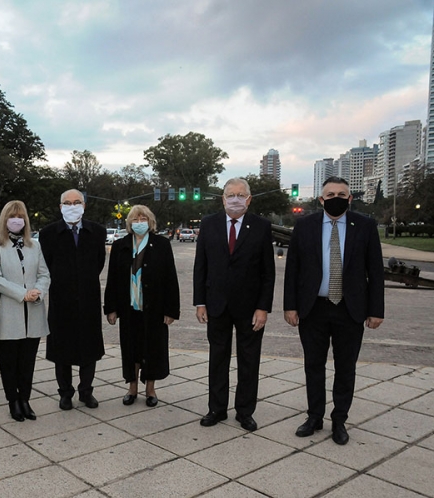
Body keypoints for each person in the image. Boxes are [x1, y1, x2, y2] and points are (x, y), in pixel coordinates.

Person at [284, 176, 384, 445]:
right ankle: (314, 417)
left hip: (350, 310)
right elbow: (292, 268)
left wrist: (376, 310)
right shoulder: (304, 226)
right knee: (313, 366)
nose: (336, 198)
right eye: (330, 194)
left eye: (342, 193)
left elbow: (375, 271)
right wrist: (290, 306)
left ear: (350, 198)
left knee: (345, 368)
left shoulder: (365, 225)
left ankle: (339, 420)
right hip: (313, 308)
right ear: (321, 199)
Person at [193, 177, 275, 431]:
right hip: (216, 305)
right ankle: (216, 408)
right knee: (218, 358)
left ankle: (245, 411)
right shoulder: (209, 224)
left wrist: (263, 307)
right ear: (223, 199)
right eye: (231, 195)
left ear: (249, 199)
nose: (236, 199)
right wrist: (200, 302)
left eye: (241, 195)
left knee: (249, 360)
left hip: (250, 308)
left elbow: (267, 272)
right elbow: (201, 266)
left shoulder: (261, 226)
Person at [104, 205, 180, 407]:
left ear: (150, 222)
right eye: (135, 219)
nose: (139, 222)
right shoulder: (121, 246)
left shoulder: (162, 244)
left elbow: (170, 278)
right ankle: (132, 387)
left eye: (143, 218)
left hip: (154, 308)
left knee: (152, 348)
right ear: (129, 223)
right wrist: (110, 308)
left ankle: (150, 389)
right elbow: (112, 279)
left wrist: (171, 310)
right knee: (131, 348)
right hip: (128, 308)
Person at [39, 189, 106, 410]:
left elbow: (98, 263)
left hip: (88, 298)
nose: (72, 206)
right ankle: (65, 392)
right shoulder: (48, 233)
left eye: (77, 202)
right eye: (67, 203)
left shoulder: (97, 231)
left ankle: (86, 391)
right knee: (62, 349)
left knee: (89, 348)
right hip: (61, 299)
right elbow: (46, 265)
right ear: (60, 207)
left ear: (84, 205)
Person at [0, 200, 50, 422]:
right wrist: (22, 293)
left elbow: (44, 274)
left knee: (27, 361)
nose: (17, 220)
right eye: (12, 216)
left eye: (20, 216)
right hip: (7, 313)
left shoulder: (35, 245)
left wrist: (37, 291)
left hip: (32, 313)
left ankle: (25, 399)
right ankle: (12, 400)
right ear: (5, 220)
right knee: (8, 361)